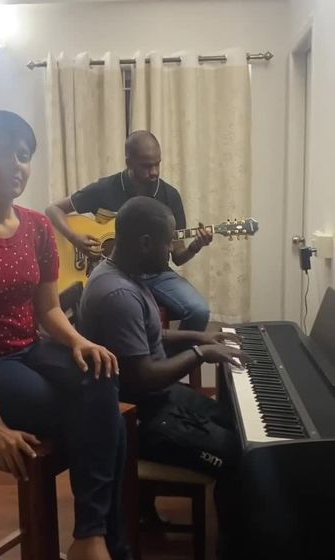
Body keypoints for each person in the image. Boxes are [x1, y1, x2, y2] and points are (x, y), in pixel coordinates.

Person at [0, 110, 130, 560]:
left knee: (103, 377)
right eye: (5, 153)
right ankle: (100, 541)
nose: (18, 165)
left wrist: (79, 341)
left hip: (28, 349)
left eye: (24, 155)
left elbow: (49, 310)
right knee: (100, 419)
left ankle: (92, 539)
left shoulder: (37, 226)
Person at [79, 196, 249, 557]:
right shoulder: (118, 293)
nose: (172, 250)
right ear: (145, 243)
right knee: (236, 457)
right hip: (139, 417)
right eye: (168, 242)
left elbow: (149, 336)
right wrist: (201, 354)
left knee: (235, 422)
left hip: (156, 400)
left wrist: (199, 337)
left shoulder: (122, 274)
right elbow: (144, 377)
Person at [46, 130, 212, 332]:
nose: (154, 172)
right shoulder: (104, 188)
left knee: (199, 311)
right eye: (146, 166)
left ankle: (174, 351)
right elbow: (53, 209)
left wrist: (194, 247)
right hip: (112, 273)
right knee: (111, 317)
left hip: (155, 273)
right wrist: (75, 238)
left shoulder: (170, 196)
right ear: (129, 162)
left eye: (157, 164)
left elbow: (177, 257)